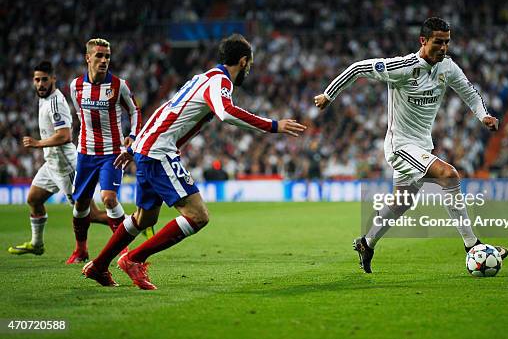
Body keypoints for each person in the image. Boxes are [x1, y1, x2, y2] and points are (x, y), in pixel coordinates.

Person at [83, 33, 307, 289]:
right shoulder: (220, 81)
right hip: (159, 152)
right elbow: (225, 112)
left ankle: (99, 267)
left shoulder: (204, 77)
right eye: (250, 64)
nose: (249, 69)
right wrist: (273, 125)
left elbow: (166, 109)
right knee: (197, 215)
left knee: (144, 219)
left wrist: (136, 145)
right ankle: (133, 259)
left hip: (149, 148)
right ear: (243, 61)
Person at [314, 17, 508, 273]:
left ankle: (366, 243)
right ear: (423, 41)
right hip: (400, 147)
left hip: (420, 147)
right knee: (449, 175)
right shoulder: (403, 67)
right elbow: (358, 68)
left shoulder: (447, 68)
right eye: (438, 42)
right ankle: (473, 245)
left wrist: (483, 115)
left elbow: (469, 92)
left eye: (447, 42)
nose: (443, 47)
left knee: (401, 201)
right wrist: (329, 94)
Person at [8, 61, 111, 256]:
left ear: (53, 79)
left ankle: (134, 223)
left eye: (44, 80)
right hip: (51, 165)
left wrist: (37, 143)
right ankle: (37, 244)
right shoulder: (43, 98)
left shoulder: (56, 102)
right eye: (37, 80)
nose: (40, 84)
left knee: (91, 215)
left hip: (67, 167)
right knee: (34, 199)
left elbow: (65, 136)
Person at [67, 38, 143, 264]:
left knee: (109, 199)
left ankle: (124, 251)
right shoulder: (76, 86)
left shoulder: (119, 85)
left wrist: (133, 136)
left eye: (107, 56)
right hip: (86, 153)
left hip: (112, 153)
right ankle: (81, 250)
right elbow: (80, 115)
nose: (104, 60)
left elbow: (135, 110)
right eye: (99, 56)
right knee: (80, 205)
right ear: (87, 58)